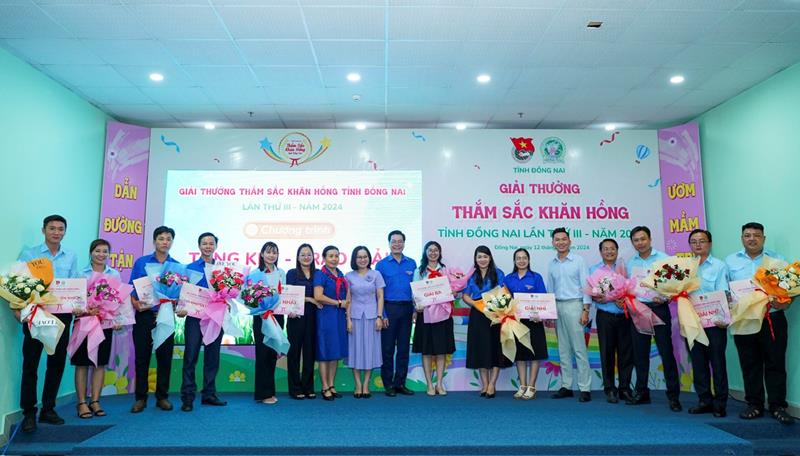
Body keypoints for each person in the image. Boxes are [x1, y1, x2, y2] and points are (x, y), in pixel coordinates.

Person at [725, 222, 794, 424]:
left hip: (772, 319)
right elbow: (726, 291)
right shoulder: (730, 261)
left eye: (756, 235)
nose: (752, 239)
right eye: (747, 235)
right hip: (744, 320)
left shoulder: (777, 260)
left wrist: (785, 303)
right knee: (749, 364)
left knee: (775, 363)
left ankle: (777, 406)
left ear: (764, 238)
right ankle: (754, 404)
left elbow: (789, 288)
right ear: (742, 238)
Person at [17, 214, 78, 432]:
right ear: (43, 230)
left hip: (62, 316)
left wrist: (77, 303)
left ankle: (48, 409)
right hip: (36, 315)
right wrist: (18, 309)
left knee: (56, 363)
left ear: (65, 232)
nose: (56, 232)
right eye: (52, 228)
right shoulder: (30, 254)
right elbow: (18, 284)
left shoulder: (71, 256)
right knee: (31, 363)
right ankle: (29, 413)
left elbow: (74, 284)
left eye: (61, 229)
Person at [625, 226, 682, 412]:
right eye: (636, 240)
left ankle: (673, 396)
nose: (640, 243)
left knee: (666, 352)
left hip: (659, 309)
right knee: (640, 353)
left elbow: (674, 286)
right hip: (639, 310)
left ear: (650, 239)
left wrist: (665, 297)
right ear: (632, 243)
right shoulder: (630, 263)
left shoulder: (664, 259)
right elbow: (628, 287)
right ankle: (642, 392)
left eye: (643, 239)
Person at [129, 226, 179, 413]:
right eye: (161, 238)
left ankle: (162, 397)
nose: (165, 242)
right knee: (142, 358)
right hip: (144, 315)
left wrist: (176, 303)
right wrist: (135, 303)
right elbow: (132, 288)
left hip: (165, 316)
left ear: (171, 242)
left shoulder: (176, 266)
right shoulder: (141, 262)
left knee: (164, 358)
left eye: (168, 239)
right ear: (154, 241)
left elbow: (180, 294)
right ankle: (140, 398)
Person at [72, 239, 120, 419]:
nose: (101, 254)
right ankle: (81, 403)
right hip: (84, 323)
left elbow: (117, 300)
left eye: (105, 251)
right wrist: (86, 309)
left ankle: (95, 401)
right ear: (91, 252)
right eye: (97, 251)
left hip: (104, 324)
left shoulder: (114, 274)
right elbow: (75, 299)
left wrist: (116, 318)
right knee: (82, 363)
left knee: (100, 363)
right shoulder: (81, 274)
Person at [180, 232, 226, 412]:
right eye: (204, 243)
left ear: (216, 246)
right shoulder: (189, 268)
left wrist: (226, 302)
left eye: (211, 243)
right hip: (194, 318)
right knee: (190, 357)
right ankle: (187, 398)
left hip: (215, 318)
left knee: (212, 357)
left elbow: (227, 293)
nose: (208, 246)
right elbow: (183, 292)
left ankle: (209, 394)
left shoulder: (222, 270)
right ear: (199, 246)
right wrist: (181, 307)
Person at [686, 229, 729, 418]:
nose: (698, 244)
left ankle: (720, 403)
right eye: (694, 241)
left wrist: (723, 319)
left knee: (717, 363)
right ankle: (704, 400)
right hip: (692, 323)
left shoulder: (719, 266)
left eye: (702, 241)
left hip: (714, 323)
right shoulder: (685, 267)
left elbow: (723, 293)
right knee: (698, 362)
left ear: (709, 244)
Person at [547, 228, 592, 402]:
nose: (561, 242)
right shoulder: (552, 263)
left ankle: (585, 387)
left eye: (564, 239)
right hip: (557, 306)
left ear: (569, 241)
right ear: (553, 243)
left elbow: (586, 287)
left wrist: (585, 310)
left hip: (575, 305)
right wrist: (550, 311)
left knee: (579, 349)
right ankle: (566, 386)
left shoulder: (579, 260)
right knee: (563, 349)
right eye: (557, 240)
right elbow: (550, 289)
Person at [588, 238, 633, 404]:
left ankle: (624, 388)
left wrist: (625, 299)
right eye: (605, 249)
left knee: (626, 353)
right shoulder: (594, 270)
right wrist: (603, 298)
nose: (609, 251)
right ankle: (610, 388)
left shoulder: (625, 268)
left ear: (617, 250)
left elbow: (633, 289)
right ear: (601, 252)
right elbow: (594, 294)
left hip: (625, 316)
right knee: (606, 353)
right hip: (605, 317)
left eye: (612, 248)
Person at [463, 245, 510, 398]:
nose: (482, 259)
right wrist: (476, 304)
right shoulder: (472, 276)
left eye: (485, 256)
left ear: (490, 258)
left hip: (495, 314)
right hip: (478, 315)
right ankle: (484, 384)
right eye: (479, 257)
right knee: (480, 349)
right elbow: (465, 295)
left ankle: (492, 385)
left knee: (495, 349)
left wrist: (494, 306)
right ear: (475, 259)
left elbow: (504, 292)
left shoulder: (498, 273)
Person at [375, 230, 417, 396]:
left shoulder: (412, 263)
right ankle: (388, 384)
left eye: (400, 241)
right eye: (394, 241)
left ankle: (400, 383)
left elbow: (416, 289)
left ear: (404, 243)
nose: (397, 244)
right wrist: (383, 314)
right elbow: (378, 293)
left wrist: (415, 310)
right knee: (387, 349)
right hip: (389, 308)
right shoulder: (381, 265)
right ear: (389, 244)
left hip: (407, 309)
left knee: (404, 348)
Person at [411, 241, 456, 396]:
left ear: (439, 252)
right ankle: (429, 384)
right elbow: (415, 293)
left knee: (441, 350)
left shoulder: (446, 270)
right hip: (425, 316)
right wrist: (417, 305)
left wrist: (453, 293)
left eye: (436, 250)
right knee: (427, 351)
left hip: (443, 316)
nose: (433, 253)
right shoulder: (419, 271)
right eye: (430, 250)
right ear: (425, 252)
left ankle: (439, 384)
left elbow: (453, 289)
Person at [504, 248, 548, 400]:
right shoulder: (508, 278)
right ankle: (522, 386)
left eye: (524, 258)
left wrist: (540, 315)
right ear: (514, 261)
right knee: (520, 354)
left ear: (528, 260)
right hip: (516, 322)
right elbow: (504, 300)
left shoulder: (536, 277)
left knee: (535, 353)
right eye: (518, 258)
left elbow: (543, 299)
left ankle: (532, 386)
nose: (521, 261)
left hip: (534, 321)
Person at [345, 246, 385, 398]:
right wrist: (348, 319)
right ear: (354, 259)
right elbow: (348, 299)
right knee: (354, 350)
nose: (362, 260)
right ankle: (358, 384)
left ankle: (366, 385)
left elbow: (380, 296)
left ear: (369, 258)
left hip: (372, 317)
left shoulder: (376, 274)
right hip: (354, 318)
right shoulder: (348, 276)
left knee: (370, 350)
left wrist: (379, 317)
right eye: (359, 257)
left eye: (365, 256)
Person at [249, 241, 285, 405]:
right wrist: (260, 308)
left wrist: (292, 308)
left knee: (272, 354)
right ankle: (262, 394)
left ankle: (270, 391)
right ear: (262, 254)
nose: (271, 255)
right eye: (268, 252)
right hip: (261, 317)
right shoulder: (255, 274)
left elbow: (286, 295)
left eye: (274, 252)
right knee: (263, 354)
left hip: (277, 317)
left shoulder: (281, 273)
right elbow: (249, 298)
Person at [314, 245, 350, 401]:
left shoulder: (341, 275)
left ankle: (331, 385)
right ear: (324, 258)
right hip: (325, 317)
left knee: (335, 353)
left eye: (336, 256)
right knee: (325, 353)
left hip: (339, 317)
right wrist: (338, 303)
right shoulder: (320, 274)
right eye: (331, 256)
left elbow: (347, 298)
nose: (334, 259)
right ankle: (324, 387)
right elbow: (318, 296)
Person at [285, 243, 319, 400]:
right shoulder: (292, 273)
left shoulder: (318, 274)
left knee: (309, 353)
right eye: (303, 254)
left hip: (313, 316)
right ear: (298, 257)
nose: (306, 257)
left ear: (313, 257)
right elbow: (288, 295)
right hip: (296, 316)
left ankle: (308, 386)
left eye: (309, 254)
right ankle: (295, 388)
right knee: (294, 353)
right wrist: (310, 299)